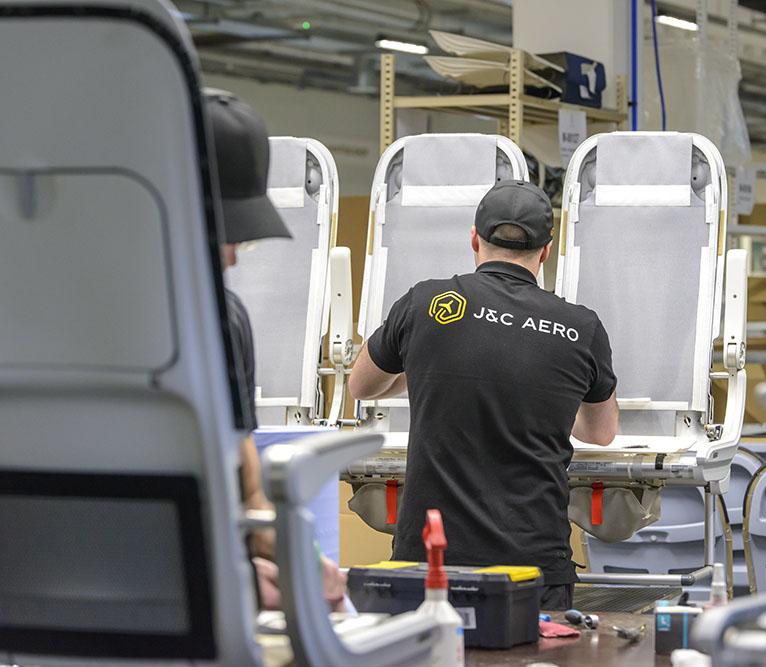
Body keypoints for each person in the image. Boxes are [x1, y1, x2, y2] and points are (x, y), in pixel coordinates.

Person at [349, 180, 619, 610]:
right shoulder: (579, 328)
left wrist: (421, 365)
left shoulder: (424, 303)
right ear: (545, 251)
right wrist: (543, 393)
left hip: (431, 563)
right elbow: (601, 432)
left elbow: (361, 386)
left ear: (474, 237)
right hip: (532, 572)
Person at [205, 89, 347, 611]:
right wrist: (308, 568)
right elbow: (249, 496)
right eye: (230, 233)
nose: (235, 255)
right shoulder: (216, 316)